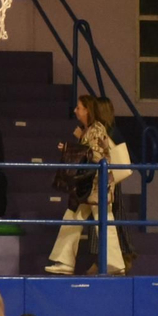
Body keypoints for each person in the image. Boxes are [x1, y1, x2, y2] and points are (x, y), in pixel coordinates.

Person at [46, 95, 126, 275]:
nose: (76, 110)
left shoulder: (96, 129)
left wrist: (70, 149)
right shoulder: (89, 129)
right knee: (73, 218)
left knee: (104, 223)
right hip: (88, 186)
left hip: (97, 186)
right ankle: (66, 261)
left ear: (87, 110)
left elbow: (95, 155)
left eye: (79, 107)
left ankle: (115, 266)